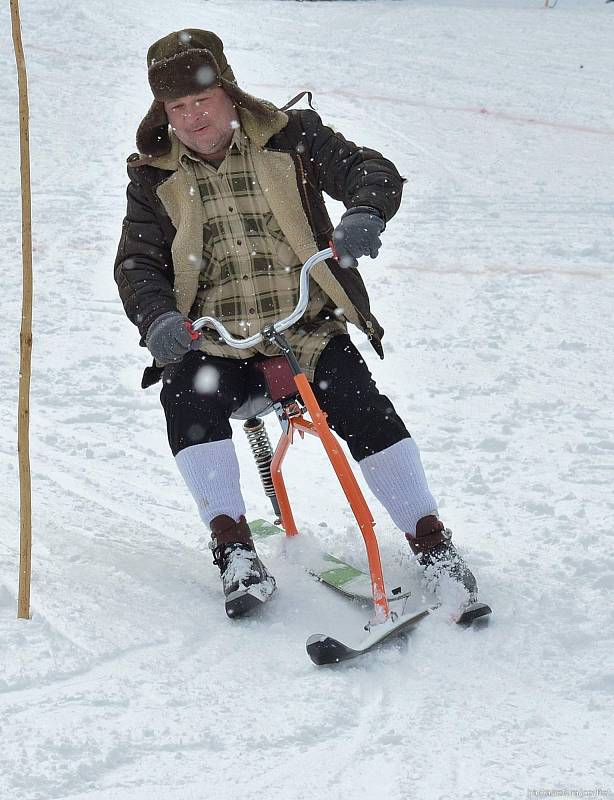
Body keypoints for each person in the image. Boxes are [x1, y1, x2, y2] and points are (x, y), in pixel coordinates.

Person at [114, 29, 481, 617]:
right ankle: (234, 548)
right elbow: (137, 264)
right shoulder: (154, 177)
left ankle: (431, 543)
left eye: (201, 101)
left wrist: (364, 212)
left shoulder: (292, 138)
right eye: (177, 108)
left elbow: (370, 168)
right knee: (187, 398)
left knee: (362, 405)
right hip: (218, 345)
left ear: (229, 93)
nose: (193, 118)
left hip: (305, 330)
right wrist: (157, 318)